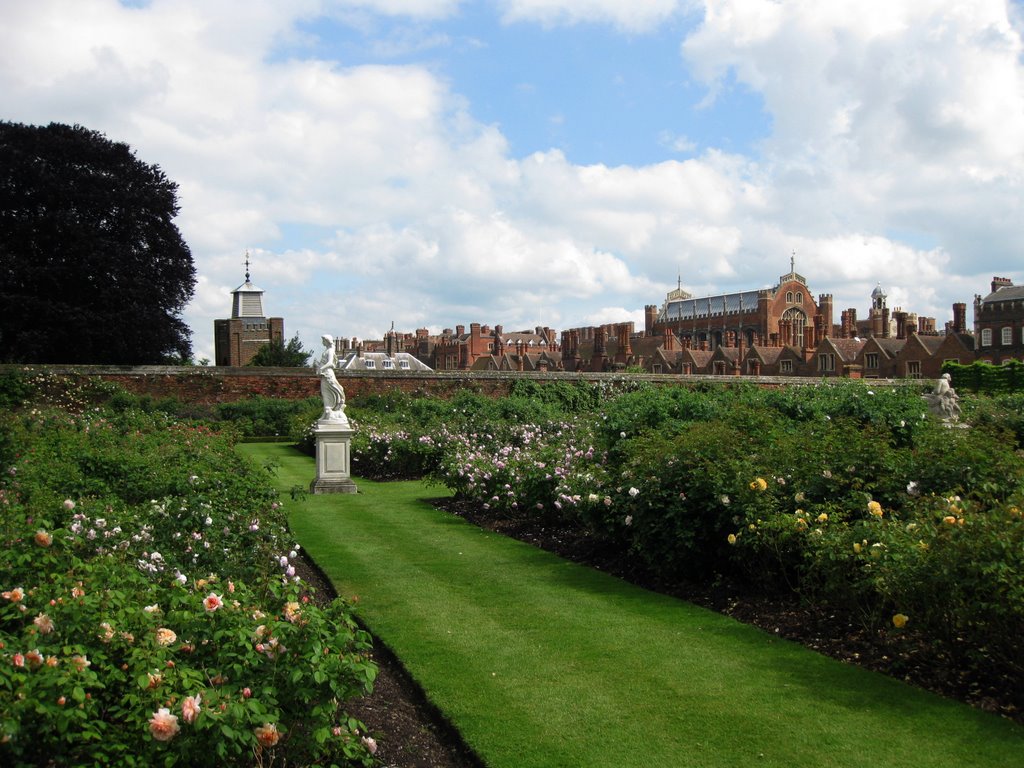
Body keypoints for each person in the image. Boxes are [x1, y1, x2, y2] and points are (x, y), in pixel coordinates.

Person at [314, 335, 346, 421]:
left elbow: (330, 363)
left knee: (329, 392)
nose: (322, 342)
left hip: (328, 374)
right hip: (324, 374)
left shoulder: (331, 351)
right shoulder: (327, 350)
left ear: (327, 341)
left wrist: (322, 368)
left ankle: (330, 411)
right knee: (325, 393)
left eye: (323, 340)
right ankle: (326, 412)